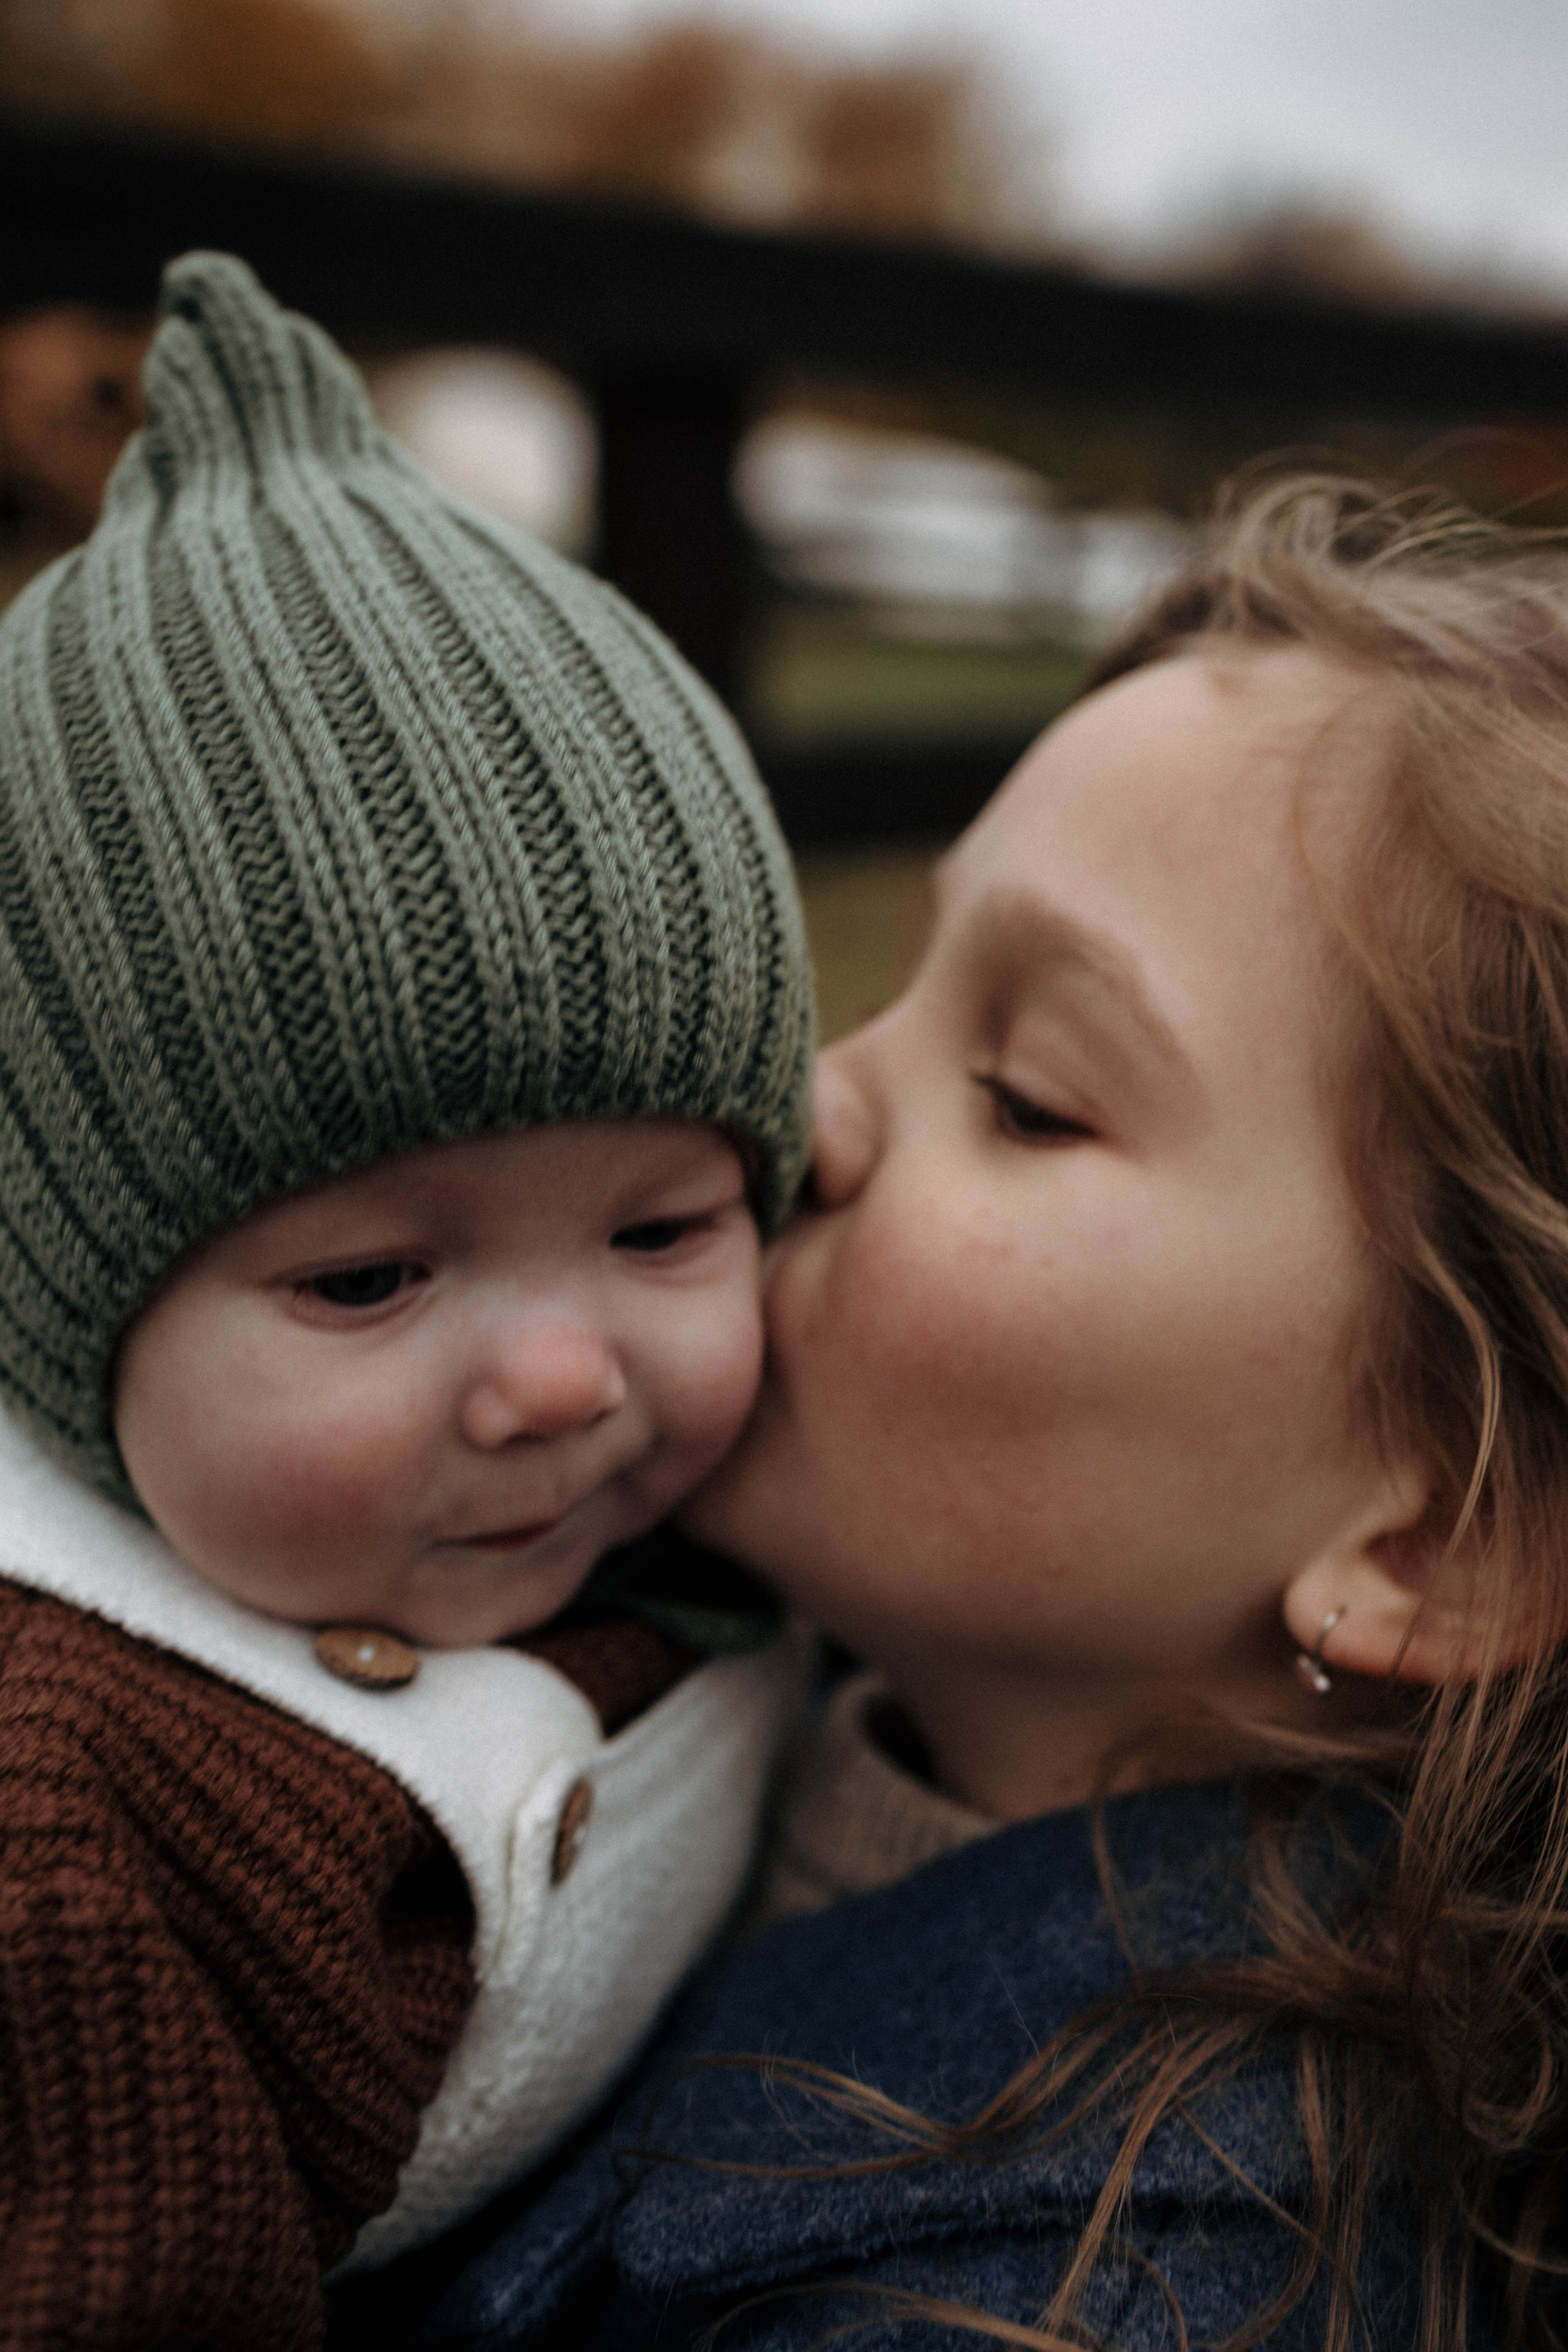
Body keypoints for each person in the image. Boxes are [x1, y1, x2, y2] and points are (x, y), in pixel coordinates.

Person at [364, 475, 1568, 2348]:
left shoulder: (1073, 2297)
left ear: (1441, 1539)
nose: (814, 1098)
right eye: (899, 988)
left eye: (1021, 1093)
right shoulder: (624, 1622)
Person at [0, 252, 815, 2350]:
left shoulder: (751, 1511)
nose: (561, 1379)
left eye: (664, 1231)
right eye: (367, 1277)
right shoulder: (69, 1817)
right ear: (53, 1301)